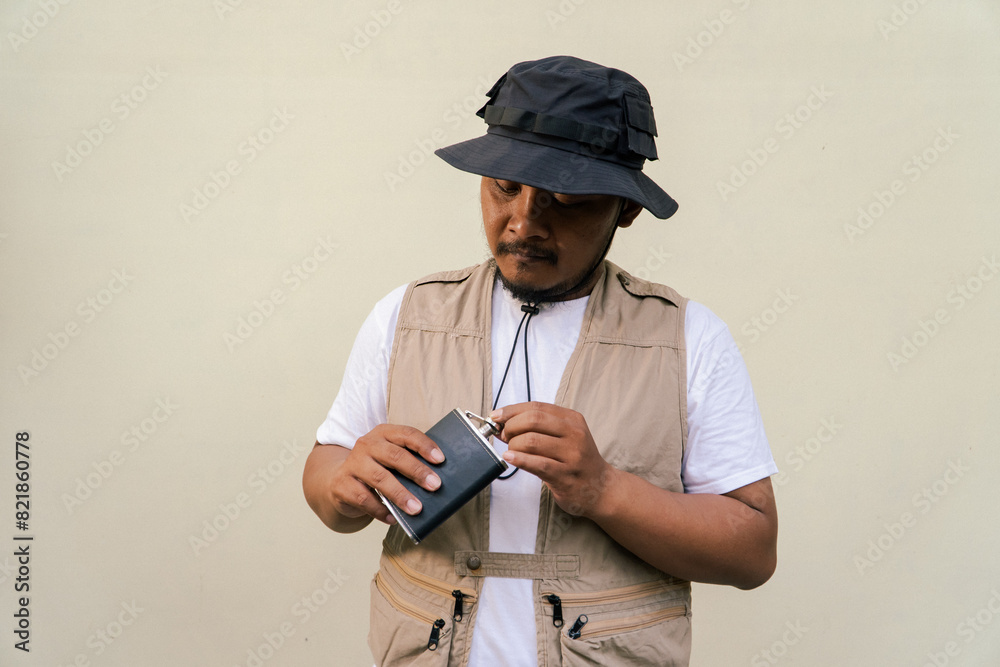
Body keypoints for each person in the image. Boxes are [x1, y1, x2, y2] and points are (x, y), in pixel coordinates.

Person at [303, 55, 778, 666]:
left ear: (625, 208)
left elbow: (753, 553)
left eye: (565, 199)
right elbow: (326, 472)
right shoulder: (407, 314)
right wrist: (341, 487)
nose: (523, 223)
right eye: (505, 187)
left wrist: (606, 490)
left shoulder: (689, 338)